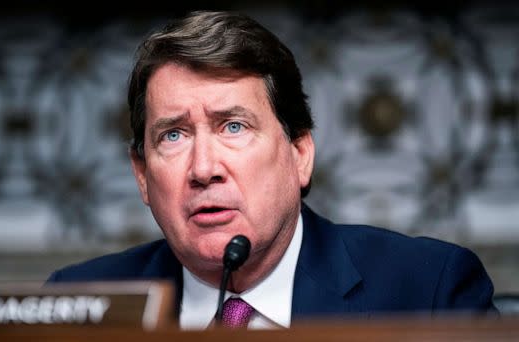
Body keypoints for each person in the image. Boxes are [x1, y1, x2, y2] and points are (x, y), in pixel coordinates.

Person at [47, 10, 497, 329]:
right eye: (174, 136)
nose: (204, 169)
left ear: (300, 153)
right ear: (142, 175)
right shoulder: (78, 301)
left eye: (234, 126)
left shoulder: (428, 292)